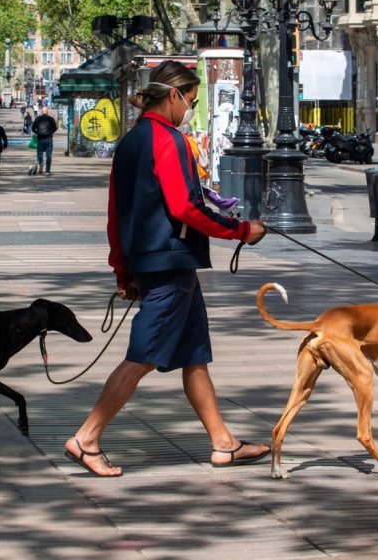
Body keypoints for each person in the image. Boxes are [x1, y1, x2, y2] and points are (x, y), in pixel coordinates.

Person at [62, 60, 268, 477]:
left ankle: (223, 443)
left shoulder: (131, 141)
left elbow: (115, 214)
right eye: (190, 100)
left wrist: (123, 270)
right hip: (169, 263)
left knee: (194, 356)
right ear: (173, 95)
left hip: (155, 262)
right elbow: (184, 207)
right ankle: (86, 439)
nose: (189, 108)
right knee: (143, 356)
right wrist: (241, 230)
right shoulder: (167, 139)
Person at [31, 106, 58, 175]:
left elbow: (33, 128)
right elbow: (55, 128)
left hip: (40, 138)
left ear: (41, 112)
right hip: (48, 139)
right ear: (47, 112)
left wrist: (37, 132)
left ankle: (41, 163)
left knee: (40, 153)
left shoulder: (38, 119)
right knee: (49, 155)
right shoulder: (51, 119)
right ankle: (47, 171)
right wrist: (50, 132)